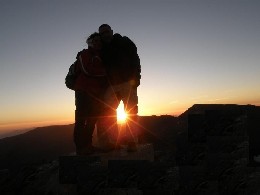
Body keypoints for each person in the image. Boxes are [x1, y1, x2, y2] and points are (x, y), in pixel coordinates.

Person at [98, 24, 141, 152]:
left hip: (128, 83)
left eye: (107, 32)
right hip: (111, 86)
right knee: (108, 114)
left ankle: (132, 141)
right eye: (102, 33)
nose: (105, 35)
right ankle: (112, 142)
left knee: (131, 112)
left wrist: (137, 77)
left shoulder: (124, 41)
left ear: (111, 31)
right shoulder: (101, 49)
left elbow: (135, 59)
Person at [73, 32, 108, 155]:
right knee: (81, 120)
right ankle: (80, 149)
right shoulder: (84, 54)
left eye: (99, 41)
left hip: (95, 93)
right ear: (90, 42)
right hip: (83, 91)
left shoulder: (100, 56)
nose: (98, 43)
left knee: (92, 120)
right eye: (95, 41)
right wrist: (105, 73)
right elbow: (86, 70)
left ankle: (88, 146)